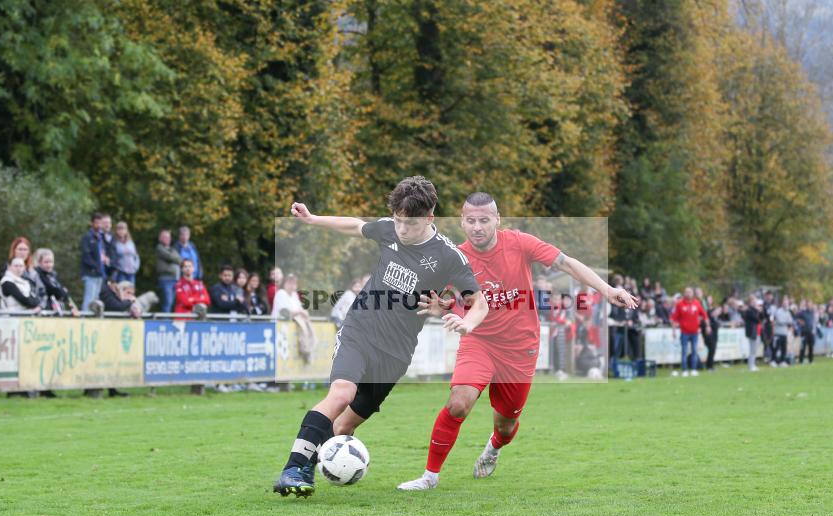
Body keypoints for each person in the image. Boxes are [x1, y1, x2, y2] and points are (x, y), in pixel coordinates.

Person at [393, 192, 637, 491]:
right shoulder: (456, 256)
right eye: (471, 221)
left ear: (497, 220)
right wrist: (439, 308)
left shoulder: (520, 243)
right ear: (462, 222)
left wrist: (606, 289)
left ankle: (494, 447)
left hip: (520, 348)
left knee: (506, 426)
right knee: (459, 403)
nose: (478, 227)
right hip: (479, 340)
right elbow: (443, 300)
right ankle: (429, 476)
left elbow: (567, 264)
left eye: (484, 220)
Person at [273, 175, 489, 498]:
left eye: (410, 224)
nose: (402, 230)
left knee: (344, 427)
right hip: (360, 330)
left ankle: (312, 466)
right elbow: (355, 226)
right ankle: (293, 467)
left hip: (394, 355)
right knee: (341, 393)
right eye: (399, 221)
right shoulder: (389, 229)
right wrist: (313, 219)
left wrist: (466, 322)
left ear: (430, 217)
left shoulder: (448, 257)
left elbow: (479, 303)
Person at [670, 287, 710, 377]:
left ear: (692, 293)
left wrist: (707, 326)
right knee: (684, 351)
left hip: (695, 332)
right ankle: (684, 370)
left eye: (690, 292)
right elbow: (674, 318)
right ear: (684, 293)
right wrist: (673, 331)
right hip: (684, 332)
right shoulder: (679, 304)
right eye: (686, 292)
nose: (688, 294)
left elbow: (704, 315)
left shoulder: (697, 303)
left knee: (694, 351)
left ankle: (694, 369)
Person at [34, 249, 78, 315]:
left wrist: (71, 305)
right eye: (46, 262)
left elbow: (64, 292)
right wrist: (62, 291)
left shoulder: (53, 275)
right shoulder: (37, 274)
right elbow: (52, 289)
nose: (49, 265)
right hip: (43, 308)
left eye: (51, 262)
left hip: (56, 307)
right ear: (40, 263)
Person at [80, 213, 107, 311]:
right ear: (92, 223)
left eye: (100, 223)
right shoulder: (87, 237)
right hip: (90, 273)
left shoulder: (101, 237)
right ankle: (84, 319)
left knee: (96, 299)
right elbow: (86, 256)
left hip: (100, 273)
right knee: (89, 298)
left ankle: (93, 320)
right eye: (96, 223)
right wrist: (95, 266)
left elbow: (102, 253)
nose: (99, 225)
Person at [155, 230, 182, 312]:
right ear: (160, 238)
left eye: (168, 237)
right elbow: (171, 257)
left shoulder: (172, 249)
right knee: (168, 301)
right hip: (166, 279)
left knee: (174, 302)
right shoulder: (159, 248)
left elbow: (179, 259)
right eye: (165, 237)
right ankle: (164, 321)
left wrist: (176, 258)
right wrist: (176, 258)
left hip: (175, 279)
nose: (167, 239)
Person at [772, 297, 794, 366]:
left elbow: (790, 321)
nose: (786, 304)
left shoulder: (788, 312)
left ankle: (782, 361)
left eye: (787, 303)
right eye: (784, 303)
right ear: (782, 303)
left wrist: (786, 322)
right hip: (778, 333)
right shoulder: (778, 311)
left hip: (784, 333)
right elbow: (780, 321)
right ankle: (773, 361)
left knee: (784, 348)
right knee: (776, 348)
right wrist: (786, 322)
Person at [742, 295, 762, 372]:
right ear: (750, 302)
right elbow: (757, 319)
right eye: (753, 302)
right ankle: (751, 366)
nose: (755, 303)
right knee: (752, 349)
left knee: (755, 349)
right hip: (752, 332)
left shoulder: (753, 310)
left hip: (757, 332)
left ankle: (753, 364)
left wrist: (759, 311)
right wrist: (757, 310)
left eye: (755, 301)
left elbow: (761, 317)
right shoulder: (749, 311)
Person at [796, 299, 816, 364]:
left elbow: (813, 322)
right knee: (803, 347)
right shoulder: (803, 312)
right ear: (806, 305)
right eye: (808, 304)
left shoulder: (812, 312)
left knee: (811, 346)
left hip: (811, 332)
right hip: (804, 332)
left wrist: (813, 329)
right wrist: (799, 321)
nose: (809, 305)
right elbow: (796, 317)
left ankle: (811, 360)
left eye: (810, 304)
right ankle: (801, 360)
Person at [704, 304, 721, 371]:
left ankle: (710, 365)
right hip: (710, 338)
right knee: (711, 351)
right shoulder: (709, 319)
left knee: (712, 352)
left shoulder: (715, 319)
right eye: (715, 311)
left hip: (714, 337)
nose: (717, 313)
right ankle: (709, 366)